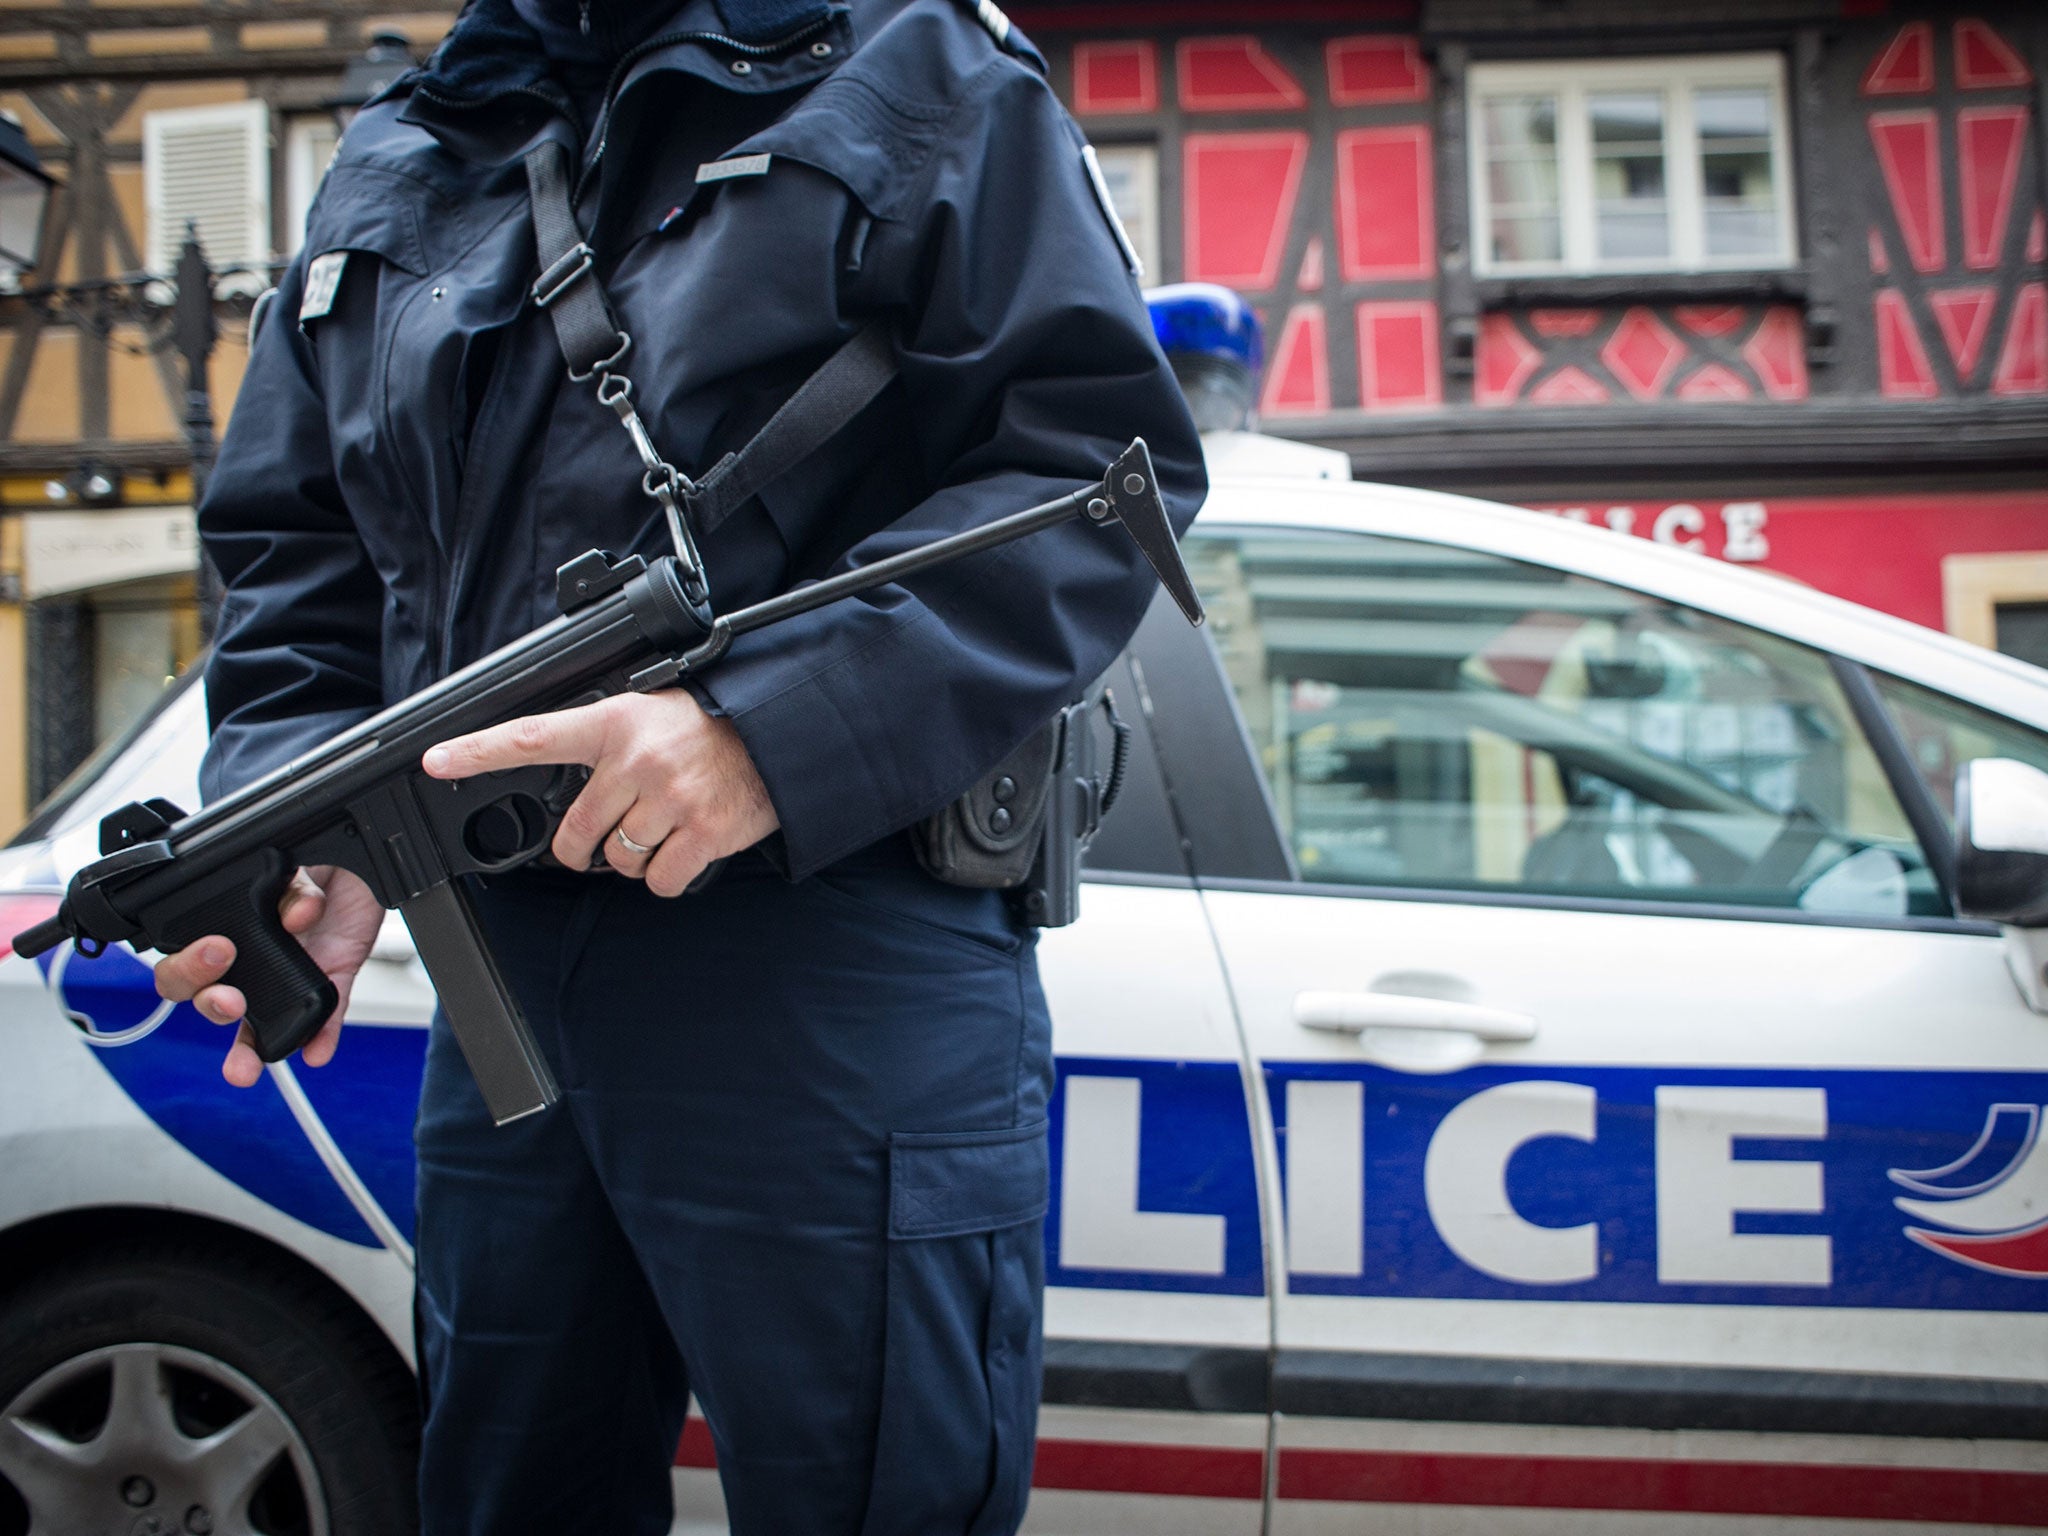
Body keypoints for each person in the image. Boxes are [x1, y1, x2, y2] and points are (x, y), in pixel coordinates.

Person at [150, 0, 1206, 1532]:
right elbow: (297, 544)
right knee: (510, 1495)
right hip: (503, 964)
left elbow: (1095, 476)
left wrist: (767, 737)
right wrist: (311, 807)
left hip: (828, 944)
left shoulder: (914, 68)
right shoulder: (404, 146)